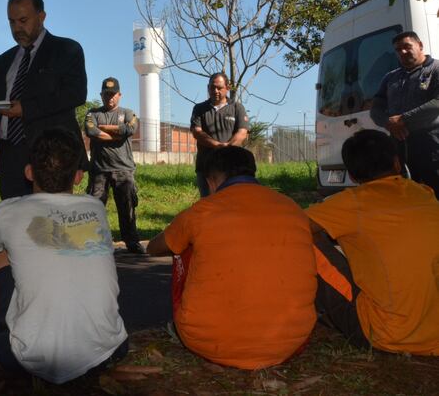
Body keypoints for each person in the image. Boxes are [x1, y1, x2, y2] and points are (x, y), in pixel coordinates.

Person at [0, 129, 128, 384]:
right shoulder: (95, 207)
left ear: (28, 172)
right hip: (109, 352)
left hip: (22, 358)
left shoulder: (6, 212)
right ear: (79, 177)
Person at [147, 146, 316, 370]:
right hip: (292, 340)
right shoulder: (292, 207)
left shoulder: (202, 211)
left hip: (208, 342)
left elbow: (154, 248)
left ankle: (190, 321)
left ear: (211, 181)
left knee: (182, 249)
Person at [306, 129, 439, 355]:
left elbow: (291, 226)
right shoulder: (426, 194)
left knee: (308, 240)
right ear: (397, 164)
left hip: (386, 335)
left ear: (353, 176)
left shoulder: (351, 202)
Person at [0, 0, 87, 199]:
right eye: (11, 22)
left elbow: (75, 94)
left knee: (49, 223)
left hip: (51, 157)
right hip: (9, 157)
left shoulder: (66, 50)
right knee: (15, 224)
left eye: (23, 20)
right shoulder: (3, 60)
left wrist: (25, 109)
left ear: (41, 17)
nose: (17, 28)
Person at [370, 31, 439, 198]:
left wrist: (403, 119)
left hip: (432, 144)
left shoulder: (435, 69)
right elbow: (376, 109)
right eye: (398, 49)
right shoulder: (390, 78)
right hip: (399, 146)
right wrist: (388, 123)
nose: (402, 52)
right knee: (406, 195)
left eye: (407, 47)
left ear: (420, 45)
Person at [84, 77, 144, 254]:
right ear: (101, 95)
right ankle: (95, 242)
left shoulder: (128, 113)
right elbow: (91, 131)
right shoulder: (92, 113)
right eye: (106, 94)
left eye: (113, 94)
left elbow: (129, 129)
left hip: (123, 169)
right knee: (94, 209)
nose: (110, 97)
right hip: (99, 170)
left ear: (120, 95)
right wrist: (116, 134)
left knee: (127, 208)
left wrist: (104, 128)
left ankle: (132, 242)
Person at [190, 73, 249, 197]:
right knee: (208, 206)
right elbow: (197, 132)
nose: (215, 91)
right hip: (206, 168)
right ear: (208, 88)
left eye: (219, 88)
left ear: (227, 87)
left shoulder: (237, 108)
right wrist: (217, 145)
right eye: (212, 87)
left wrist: (228, 147)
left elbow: (242, 132)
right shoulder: (199, 109)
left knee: (232, 204)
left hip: (232, 168)